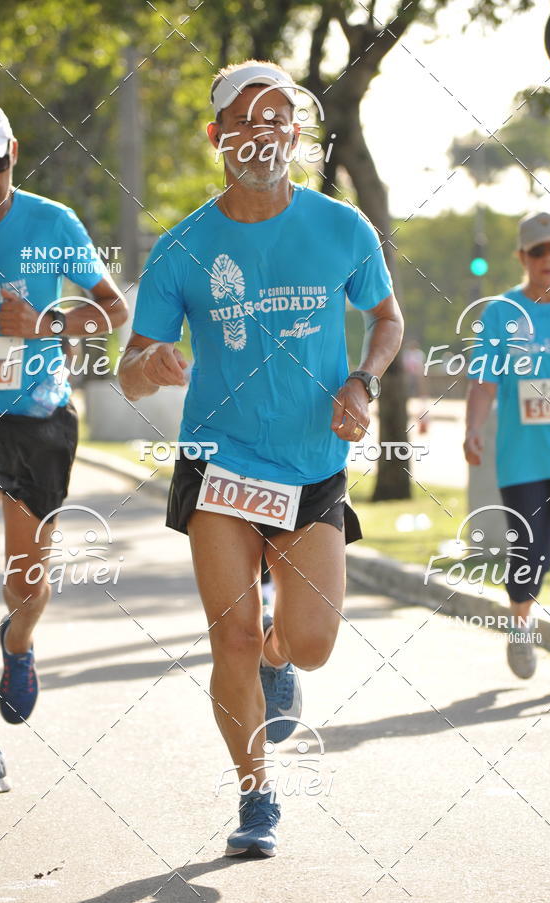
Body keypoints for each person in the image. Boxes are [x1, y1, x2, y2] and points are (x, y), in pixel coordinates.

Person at [120, 60, 403, 858]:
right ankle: (255, 793)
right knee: (232, 638)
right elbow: (131, 366)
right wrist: (152, 365)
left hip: (311, 465)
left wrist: (363, 380)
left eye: (276, 118)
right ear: (218, 137)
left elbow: (387, 319)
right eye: (243, 120)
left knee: (310, 642)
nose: (260, 133)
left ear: (296, 133)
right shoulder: (183, 247)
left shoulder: (341, 227)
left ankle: (282, 656)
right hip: (220, 463)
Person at [0, 102, 128, 795]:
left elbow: (112, 310)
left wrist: (43, 322)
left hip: (38, 419)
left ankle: (20, 640)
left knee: (25, 583)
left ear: (13, 153)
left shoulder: (52, 224)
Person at [464, 210, 550, 694]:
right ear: (522, 257)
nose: (548, 258)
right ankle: (520, 624)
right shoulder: (501, 312)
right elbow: (484, 381)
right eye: (538, 251)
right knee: (530, 552)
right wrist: (473, 428)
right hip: (523, 459)